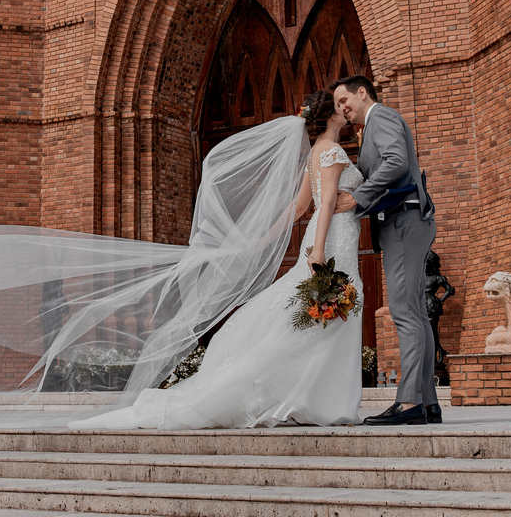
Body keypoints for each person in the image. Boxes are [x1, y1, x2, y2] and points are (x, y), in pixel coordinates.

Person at [69, 89, 364, 428]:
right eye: (340, 105)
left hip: (325, 238)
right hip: (332, 241)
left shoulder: (315, 152)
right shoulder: (332, 152)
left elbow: (299, 208)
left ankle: (309, 399)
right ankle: (317, 401)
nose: (346, 109)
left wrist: (262, 241)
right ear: (329, 116)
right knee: (324, 314)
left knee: (317, 316)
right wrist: (320, 249)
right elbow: (325, 205)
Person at [332, 74, 440, 426]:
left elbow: (395, 162)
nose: (342, 108)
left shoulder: (383, 116)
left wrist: (357, 197)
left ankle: (408, 402)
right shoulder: (371, 128)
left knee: (404, 311)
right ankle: (427, 402)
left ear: (362, 93)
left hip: (404, 221)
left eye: (344, 101)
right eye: (337, 105)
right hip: (402, 222)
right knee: (415, 313)